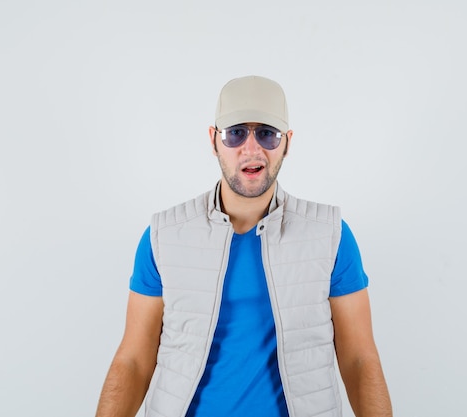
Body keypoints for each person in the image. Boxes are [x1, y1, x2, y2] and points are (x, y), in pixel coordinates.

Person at [95, 75, 392, 417]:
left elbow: (359, 359)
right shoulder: (164, 236)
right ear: (214, 140)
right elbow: (133, 360)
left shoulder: (331, 236)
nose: (251, 150)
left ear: (287, 142)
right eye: (235, 133)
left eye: (267, 133)